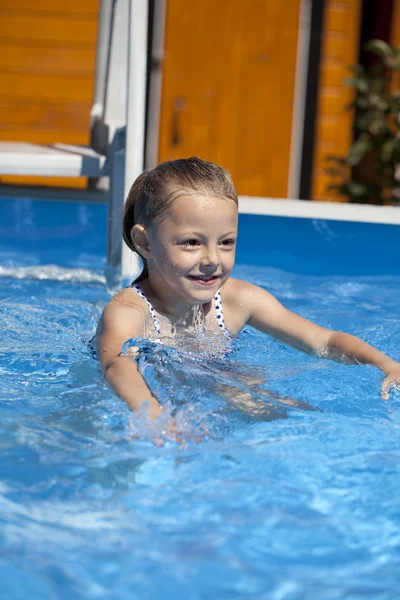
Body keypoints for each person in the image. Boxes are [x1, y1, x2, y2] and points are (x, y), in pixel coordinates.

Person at [96, 156, 400, 421]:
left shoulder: (237, 301)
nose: (212, 259)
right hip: (146, 397)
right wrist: (155, 417)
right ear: (145, 243)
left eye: (226, 242)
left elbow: (324, 340)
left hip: (216, 383)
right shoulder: (128, 312)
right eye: (191, 242)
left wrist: (387, 364)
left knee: (300, 417)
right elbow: (115, 365)